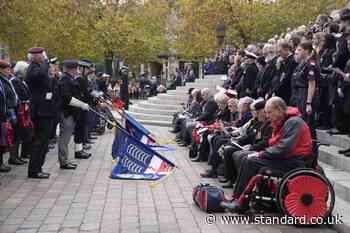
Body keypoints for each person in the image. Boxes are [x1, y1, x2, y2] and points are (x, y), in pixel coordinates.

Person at [220, 97, 313, 212]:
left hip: (294, 162)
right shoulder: (286, 121)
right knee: (246, 158)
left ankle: (241, 203)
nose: (267, 116)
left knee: (250, 161)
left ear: (279, 109)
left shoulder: (294, 122)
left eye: (269, 112)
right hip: (287, 159)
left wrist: (261, 154)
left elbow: (283, 148)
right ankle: (238, 199)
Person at [26, 47, 56, 179]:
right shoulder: (33, 69)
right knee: (40, 141)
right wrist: (46, 64)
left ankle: (38, 168)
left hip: (46, 109)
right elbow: (39, 76)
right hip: (40, 111)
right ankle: (34, 170)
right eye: (42, 55)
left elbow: (48, 84)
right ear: (35, 57)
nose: (44, 57)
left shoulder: (40, 68)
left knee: (44, 142)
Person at [58, 60, 90, 170]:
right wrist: (81, 104)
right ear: (71, 69)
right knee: (64, 138)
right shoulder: (64, 79)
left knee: (66, 138)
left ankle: (65, 160)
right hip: (67, 113)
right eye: (75, 69)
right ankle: (63, 161)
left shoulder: (69, 79)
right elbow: (67, 97)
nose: (77, 71)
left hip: (71, 112)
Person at [290, 41, 319, 139]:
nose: (297, 52)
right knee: (302, 124)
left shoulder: (310, 64)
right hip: (300, 95)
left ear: (306, 51)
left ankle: (312, 150)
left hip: (306, 95)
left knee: (308, 125)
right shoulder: (303, 64)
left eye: (299, 50)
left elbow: (312, 84)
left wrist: (308, 103)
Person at [10, 61, 33, 164]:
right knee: (16, 134)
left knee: (19, 134)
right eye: (25, 70)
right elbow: (18, 95)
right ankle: (13, 157)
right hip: (18, 111)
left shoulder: (21, 81)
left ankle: (16, 156)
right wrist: (26, 100)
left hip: (23, 110)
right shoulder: (15, 81)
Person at [0, 60, 13, 172]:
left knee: (2, 140)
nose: (9, 71)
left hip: (3, 115)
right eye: (6, 69)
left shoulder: (3, 82)